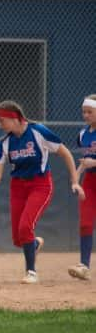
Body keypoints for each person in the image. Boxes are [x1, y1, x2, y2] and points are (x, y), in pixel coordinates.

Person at [0, 100, 84, 284]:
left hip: (40, 185)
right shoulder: (4, 143)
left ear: (15, 118)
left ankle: (31, 272)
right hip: (18, 187)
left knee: (26, 227)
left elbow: (65, 153)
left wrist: (75, 181)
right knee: (19, 239)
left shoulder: (38, 132)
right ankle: (34, 244)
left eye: (2, 120)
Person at [69, 95, 96, 281]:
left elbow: (90, 161)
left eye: (90, 112)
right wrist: (75, 180)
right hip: (90, 182)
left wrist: (93, 161)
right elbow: (83, 163)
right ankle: (84, 266)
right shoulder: (82, 135)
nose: (85, 115)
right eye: (84, 112)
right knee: (85, 223)